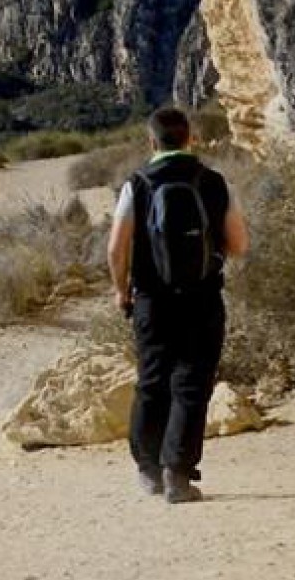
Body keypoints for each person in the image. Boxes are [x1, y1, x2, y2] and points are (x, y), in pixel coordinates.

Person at [106, 107, 249, 503]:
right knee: (191, 384)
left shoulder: (137, 185)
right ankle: (178, 475)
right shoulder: (215, 182)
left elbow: (116, 249)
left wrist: (123, 292)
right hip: (203, 298)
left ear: (152, 143)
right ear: (192, 139)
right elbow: (239, 245)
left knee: (152, 382)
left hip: (152, 300)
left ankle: (148, 469)